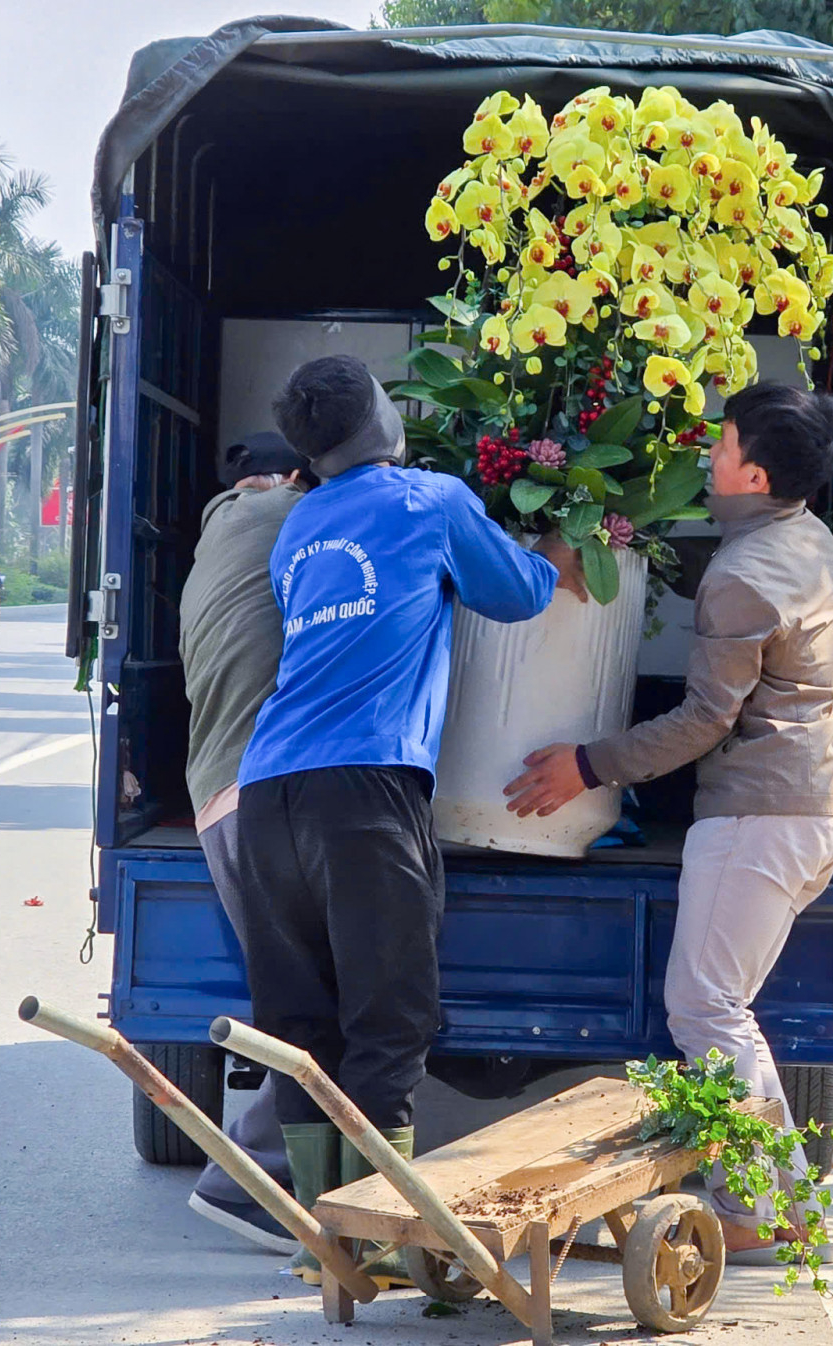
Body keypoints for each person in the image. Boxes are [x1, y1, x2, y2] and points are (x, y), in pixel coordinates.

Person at [228, 354, 585, 1285]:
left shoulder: (299, 525)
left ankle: (329, 1240)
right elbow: (515, 594)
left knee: (304, 1028)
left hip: (268, 791)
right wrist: (556, 557)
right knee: (390, 1017)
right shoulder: (430, 499)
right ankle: (380, 1239)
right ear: (382, 422)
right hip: (366, 788)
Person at [502, 382, 833, 1259]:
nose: (709, 455)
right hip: (806, 810)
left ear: (754, 471)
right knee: (722, 1008)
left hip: (759, 818)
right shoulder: (804, 537)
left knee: (705, 1008)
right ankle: (779, 1201)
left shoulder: (743, 574)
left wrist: (586, 764)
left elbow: (705, 719)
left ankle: (756, 1206)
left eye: (722, 444)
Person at [176, 429, 308, 1252]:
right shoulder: (291, 514)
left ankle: (273, 1174)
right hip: (253, 791)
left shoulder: (220, 529)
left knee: (304, 999)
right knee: (309, 1008)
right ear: (292, 476)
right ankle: (242, 1183)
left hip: (218, 791)